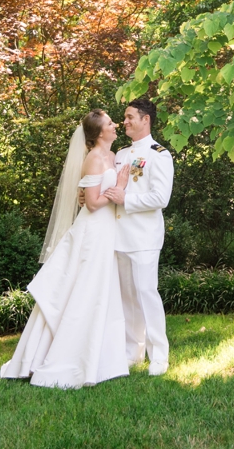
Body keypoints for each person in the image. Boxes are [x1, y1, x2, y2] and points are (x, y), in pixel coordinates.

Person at [0, 109, 129, 388]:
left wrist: (117, 189)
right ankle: (62, 356)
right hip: (92, 232)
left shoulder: (114, 156)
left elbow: (91, 196)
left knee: (97, 291)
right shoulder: (94, 159)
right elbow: (92, 204)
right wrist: (118, 188)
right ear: (98, 133)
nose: (115, 124)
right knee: (82, 291)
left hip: (107, 230)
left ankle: (100, 356)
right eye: (110, 123)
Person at [103, 98, 174, 376]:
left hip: (144, 237)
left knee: (146, 294)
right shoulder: (120, 153)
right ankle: (132, 352)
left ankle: (159, 356)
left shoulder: (159, 154)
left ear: (146, 119)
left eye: (131, 117)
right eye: (124, 117)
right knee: (127, 298)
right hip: (118, 236)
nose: (125, 121)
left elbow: (160, 198)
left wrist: (126, 198)